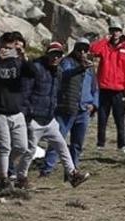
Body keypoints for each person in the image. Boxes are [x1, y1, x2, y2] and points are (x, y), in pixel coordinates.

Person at [24, 41, 90, 187]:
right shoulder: (37, 68)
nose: (55, 58)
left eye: (58, 55)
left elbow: (67, 75)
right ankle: (19, 177)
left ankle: (73, 174)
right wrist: (28, 113)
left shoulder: (58, 71)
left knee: (61, 145)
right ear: (47, 54)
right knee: (29, 151)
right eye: (53, 54)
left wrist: (80, 69)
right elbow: (26, 91)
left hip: (49, 118)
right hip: (35, 118)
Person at [0, 31, 35, 191]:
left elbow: (32, 73)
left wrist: (23, 57)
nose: (7, 51)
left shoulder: (17, 63)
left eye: (11, 48)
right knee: (4, 147)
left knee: (21, 147)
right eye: (5, 47)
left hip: (16, 111)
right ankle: (4, 179)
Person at [46, 39, 98, 174]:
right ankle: (47, 169)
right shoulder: (67, 62)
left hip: (84, 109)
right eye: (79, 49)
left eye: (85, 50)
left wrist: (94, 104)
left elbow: (95, 87)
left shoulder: (90, 67)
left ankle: (73, 170)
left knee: (77, 143)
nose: (82, 53)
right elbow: (65, 74)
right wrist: (81, 68)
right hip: (66, 107)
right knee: (58, 140)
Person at [90, 19, 125, 152]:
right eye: (113, 30)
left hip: (119, 90)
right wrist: (104, 40)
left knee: (119, 119)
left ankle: (122, 145)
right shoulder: (105, 46)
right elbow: (93, 50)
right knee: (102, 117)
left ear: (121, 32)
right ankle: (100, 144)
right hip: (104, 88)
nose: (115, 33)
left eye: (117, 30)